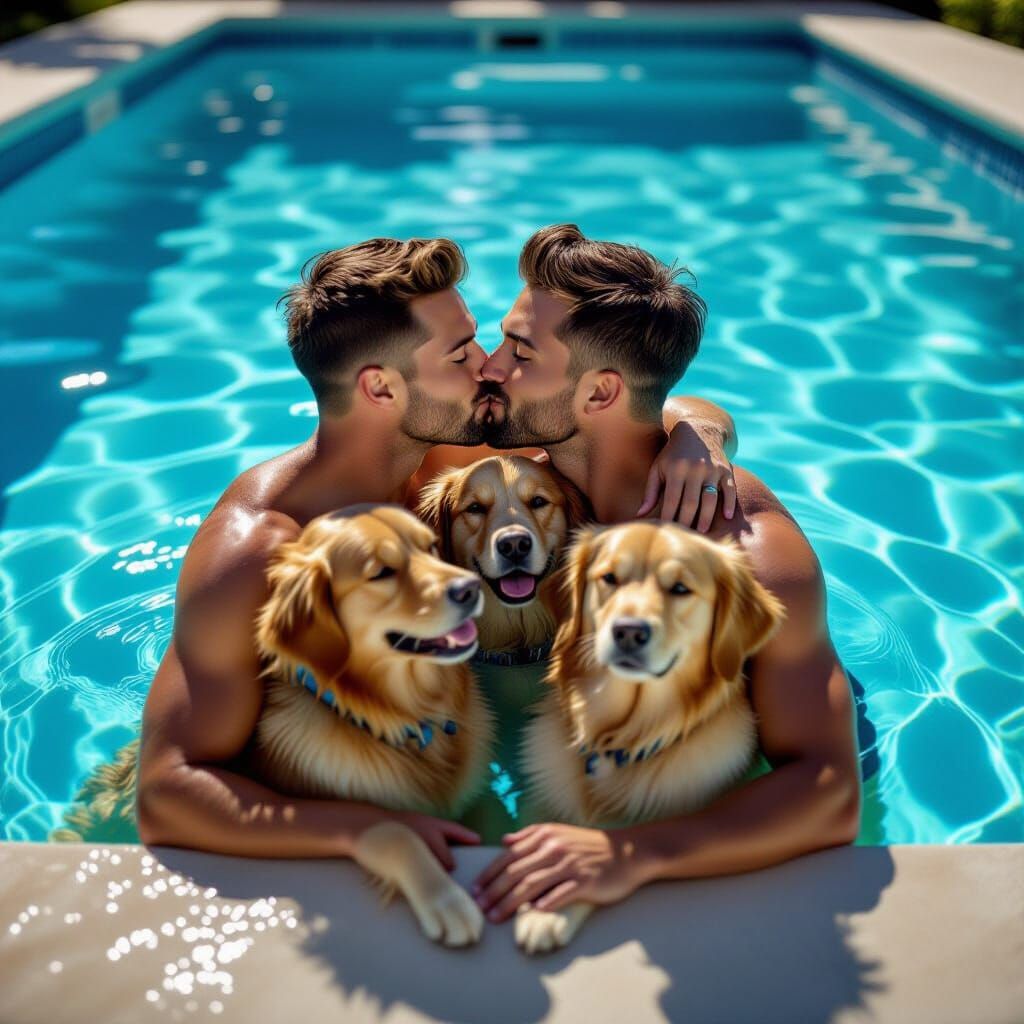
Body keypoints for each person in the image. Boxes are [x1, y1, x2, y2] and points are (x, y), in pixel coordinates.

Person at [135, 235, 739, 870]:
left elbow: (639, 403)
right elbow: (170, 791)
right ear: (382, 389)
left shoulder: (453, 462)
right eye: (460, 353)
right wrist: (358, 832)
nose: (488, 366)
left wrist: (697, 435)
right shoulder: (262, 549)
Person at [461, 224, 862, 924]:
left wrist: (633, 856)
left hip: (716, 796)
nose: (491, 367)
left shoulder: (750, 559)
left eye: (521, 351)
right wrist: (700, 424)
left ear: (599, 394)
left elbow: (828, 792)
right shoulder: (535, 483)